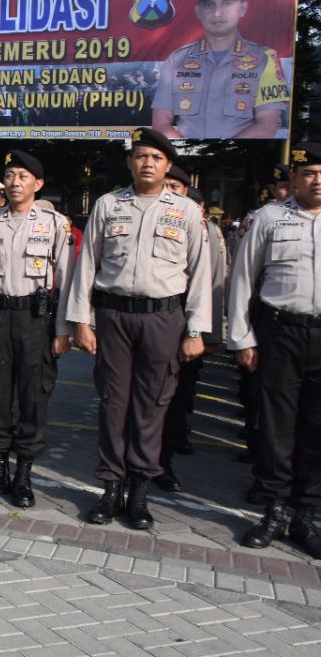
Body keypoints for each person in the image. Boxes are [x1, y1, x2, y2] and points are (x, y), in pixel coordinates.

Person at [64, 128, 211, 529]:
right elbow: (87, 265)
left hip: (164, 318)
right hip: (113, 317)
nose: (148, 163)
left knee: (152, 404)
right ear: (130, 162)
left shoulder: (185, 212)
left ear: (168, 166)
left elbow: (200, 274)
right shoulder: (109, 205)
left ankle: (140, 489)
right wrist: (81, 320)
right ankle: (111, 487)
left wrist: (196, 330)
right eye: (141, 156)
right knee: (113, 402)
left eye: (156, 158)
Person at [0, 150, 72, 508]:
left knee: (32, 397)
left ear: (38, 184)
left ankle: (24, 475)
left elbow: (68, 280)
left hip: (36, 320)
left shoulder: (56, 224)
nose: (15, 182)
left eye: (23, 176)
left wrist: (64, 330)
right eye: (9, 175)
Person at [229, 142, 321, 559]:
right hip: (280, 333)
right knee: (276, 426)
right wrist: (243, 338)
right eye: (309, 173)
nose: (316, 181)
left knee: (316, 430)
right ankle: (274, 509)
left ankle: (307, 513)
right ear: (294, 180)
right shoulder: (268, 218)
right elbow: (243, 281)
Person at [152, 0, 290, 139]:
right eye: (209, 5)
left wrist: (222, 153)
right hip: (186, 157)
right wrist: (186, 152)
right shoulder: (177, 60)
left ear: (243, 8)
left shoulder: (265, 59)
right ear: (198, 11)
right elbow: (161, 123)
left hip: (240, 159)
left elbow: (266, 126)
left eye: (227, 3)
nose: (217, 13)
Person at [157, 183, 227, 492]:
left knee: (177, 396)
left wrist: (208, 332)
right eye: (166, 185)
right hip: (151, 321)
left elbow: (215, 282)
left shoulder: (202, 228)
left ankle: (164, 461)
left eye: (176, 186)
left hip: (187, 326)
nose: (169, 191)